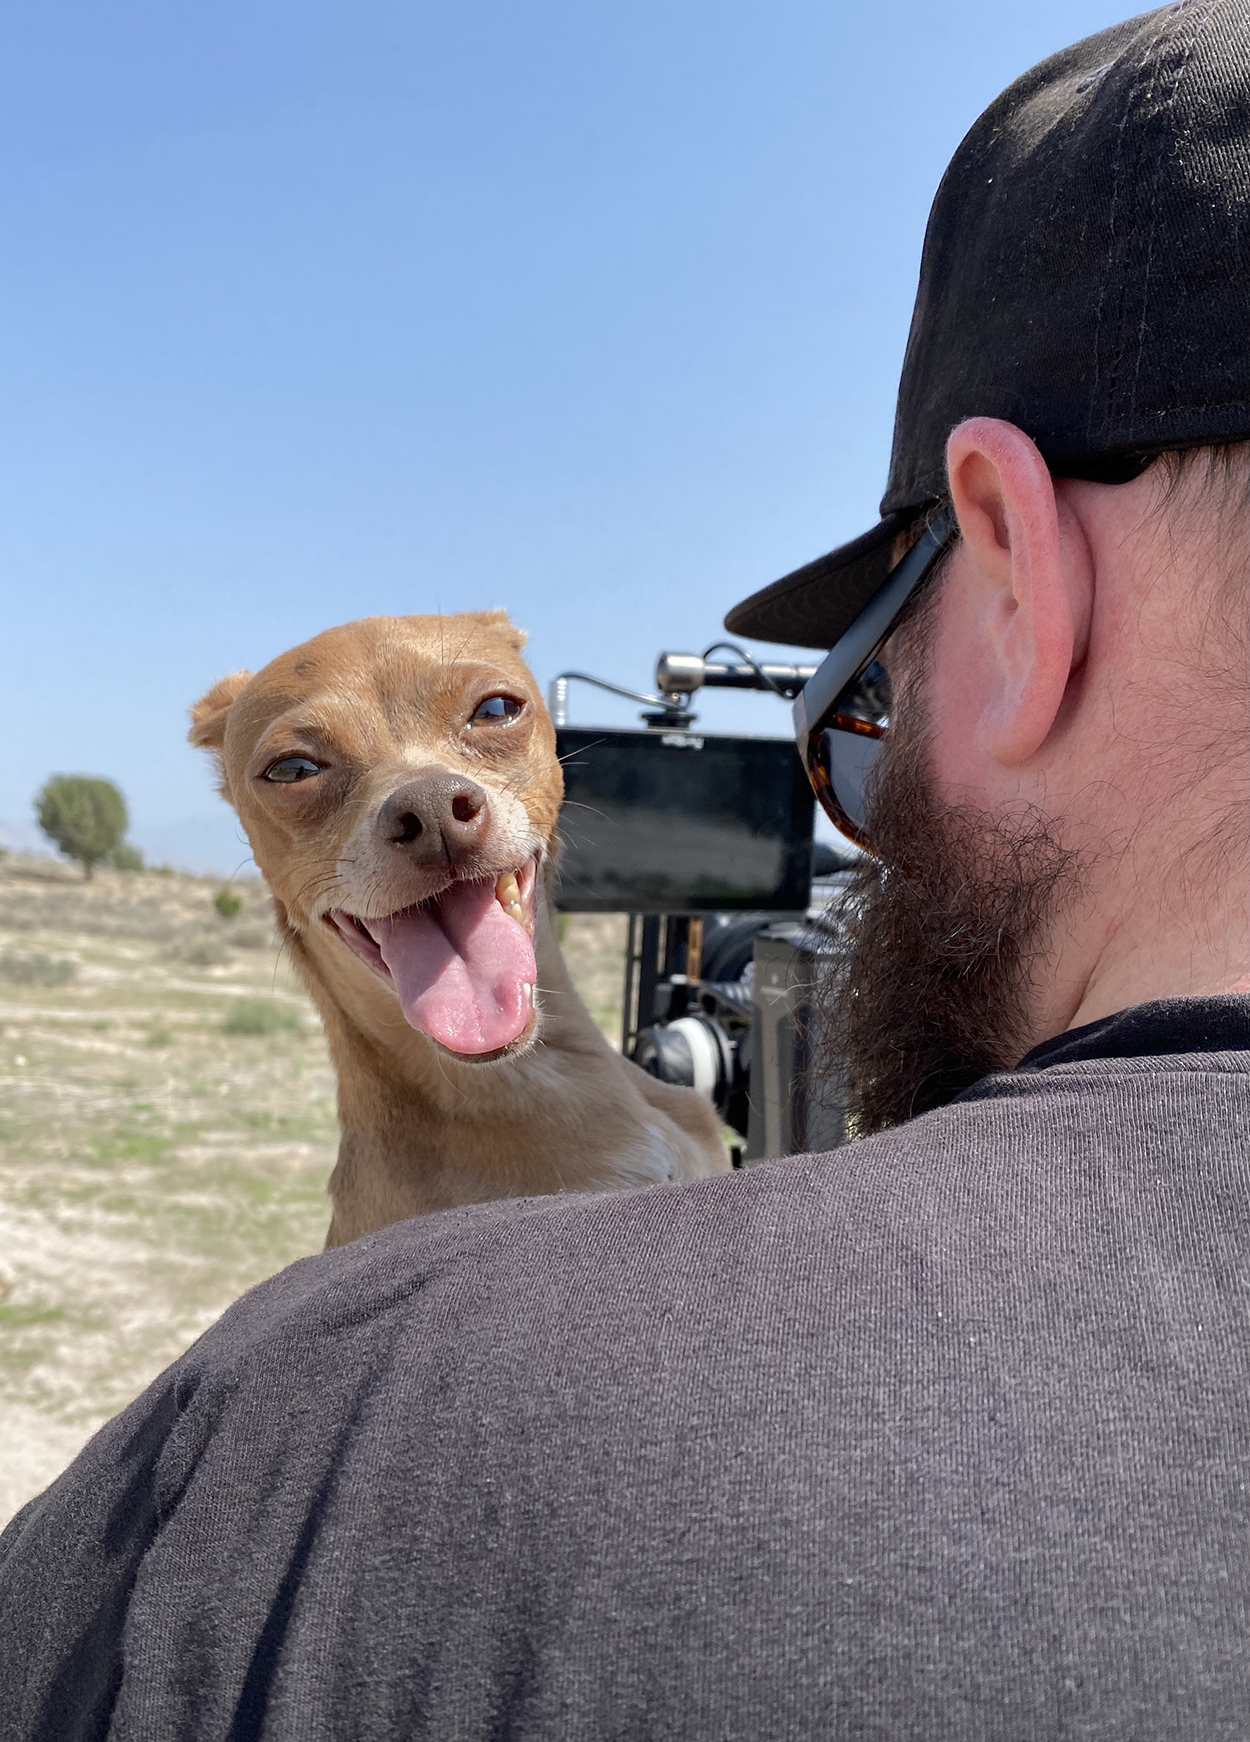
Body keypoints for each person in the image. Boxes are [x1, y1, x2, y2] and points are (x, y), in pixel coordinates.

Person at [2, 4, 1247, 1736]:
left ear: (1019, 569)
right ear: (252, 826)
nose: (432, 800)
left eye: (872, 669)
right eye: (309, 772)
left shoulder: (282, 1458)